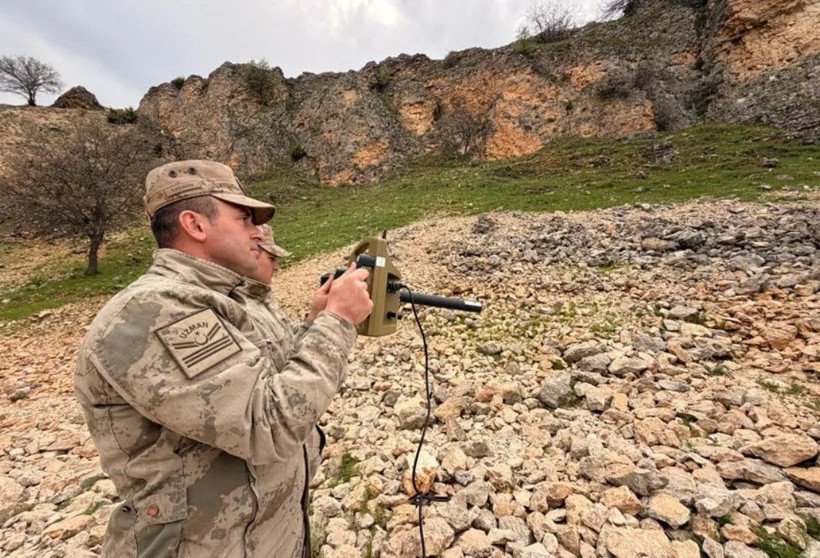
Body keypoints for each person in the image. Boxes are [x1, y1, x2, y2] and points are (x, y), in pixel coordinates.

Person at [74, 159, 372, 557]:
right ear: (195, 225)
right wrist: (337, 321)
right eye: (245, 219)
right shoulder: (152, 310)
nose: (258, 232)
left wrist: (315, 323)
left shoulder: (230, 301)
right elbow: (267, 423)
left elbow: (272, 380)